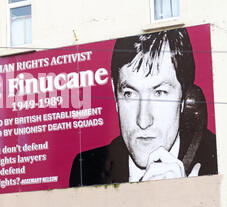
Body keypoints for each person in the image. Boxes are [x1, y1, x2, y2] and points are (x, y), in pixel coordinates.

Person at [69, 28, 217, 187]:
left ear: (185, 98)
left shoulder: (217, 159)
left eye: (160, 93)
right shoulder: (87, 169)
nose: (143, 121)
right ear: (114, 93)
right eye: (129, 93)